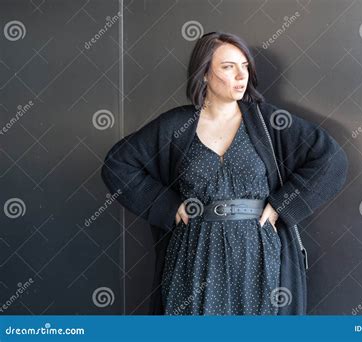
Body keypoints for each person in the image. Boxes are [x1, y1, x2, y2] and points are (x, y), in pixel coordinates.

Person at [101, 32, 348, 315]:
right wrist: (163, 205)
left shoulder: (268, 122)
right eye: (228, 67)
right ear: (204, 73)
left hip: (257, 253)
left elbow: (331, 161)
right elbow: (117, 165)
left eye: (244, 66)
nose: (241, 75)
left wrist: (283, 205)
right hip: (193, 255)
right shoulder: (177, 125)